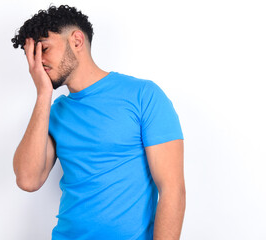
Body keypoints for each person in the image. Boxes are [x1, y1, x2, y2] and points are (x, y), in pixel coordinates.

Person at [11, 4, 185, 240]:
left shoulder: (143, 95)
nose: (38, 62)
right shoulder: (53, 113)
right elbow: (28, 180)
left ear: (77, 41)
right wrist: (43, 94)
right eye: (32, 56)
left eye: (45, 49)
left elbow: (172, 190)